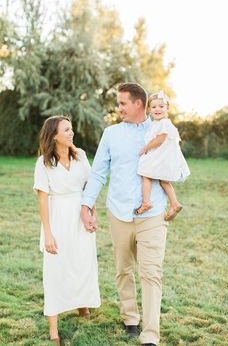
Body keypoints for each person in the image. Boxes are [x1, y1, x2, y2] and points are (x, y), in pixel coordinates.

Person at [81, 83, 168, 346]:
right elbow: (98, 172)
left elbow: (172, 164)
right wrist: (86, 205)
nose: (118, 108)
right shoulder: (111, 133)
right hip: (118, 212)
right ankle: (130, 317)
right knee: (123, 269)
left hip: (152, 214)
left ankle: (151, 335)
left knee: (151, 272)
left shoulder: (159, 130)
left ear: (138, 103)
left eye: (122, 103)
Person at [33, 115, 100, 345]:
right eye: (66, 130)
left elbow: (90, 187)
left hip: (80, 214)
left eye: (71, 128)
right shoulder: (43, 162)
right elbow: (43, 200)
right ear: (54, 136)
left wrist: (92, 215)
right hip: (58, 217)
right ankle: (53, 328)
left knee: (81, 262)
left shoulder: (80, 155)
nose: (72, 133)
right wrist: (48, 233)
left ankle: (82, 305)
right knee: (55, 269)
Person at [136, 90, 190, 220]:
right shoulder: (156, 123)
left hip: (160, 157)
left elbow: (160, 140)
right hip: (161, 158)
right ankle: (174, 203)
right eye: (154, 107)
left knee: (145, 173)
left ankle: (146, 202)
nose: (157, 109)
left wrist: (145, 148)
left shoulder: (164, 123)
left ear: (167, 108)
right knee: (163, 181)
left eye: (161, 106)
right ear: (149, 109)